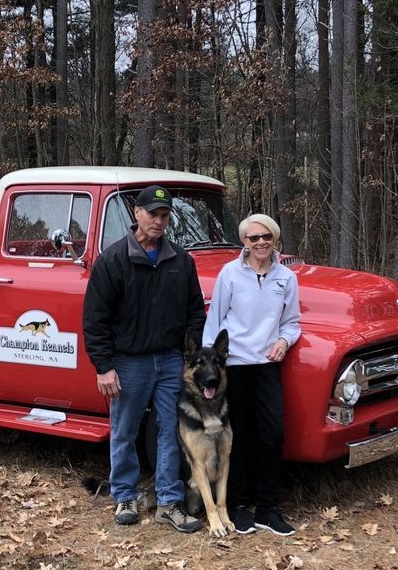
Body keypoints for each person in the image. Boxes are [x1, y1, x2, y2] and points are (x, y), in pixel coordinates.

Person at [83, 185, 206, 533]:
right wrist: (104, 367)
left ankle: (169, 501)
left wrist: (189, 356)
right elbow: (95, 318)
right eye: (152, 213)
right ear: (136, 213)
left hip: (170, 361)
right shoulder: (114, 260)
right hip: (128, 361)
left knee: (171, 431)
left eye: (165, 215)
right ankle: (124, 495)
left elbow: (195, 312)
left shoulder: (181, 261)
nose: (158, 221)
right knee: (125, 429)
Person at [202, 213, 301, 537]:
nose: (260, 243)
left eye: (266, 237)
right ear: (244, 241)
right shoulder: (230, 274)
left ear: (275, 240)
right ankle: (240, 506)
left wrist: (285, 341)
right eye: (253, 238)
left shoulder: (286, 278)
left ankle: (268, 509)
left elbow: (292, 321)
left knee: (272, 435)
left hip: (267, 364)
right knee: (240, 437)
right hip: (235, 366)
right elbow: (214, 321)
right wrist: (210, 367)